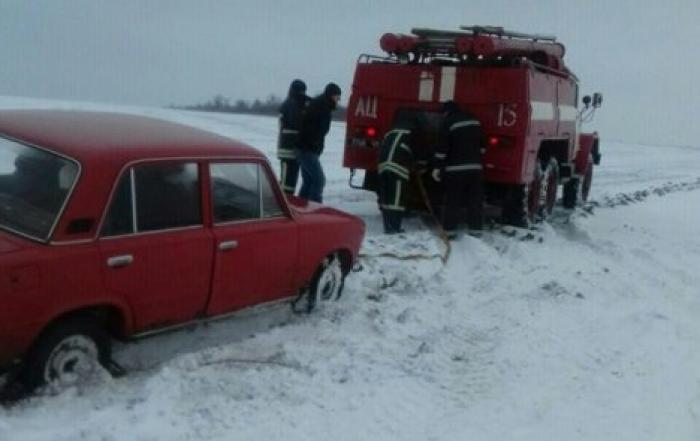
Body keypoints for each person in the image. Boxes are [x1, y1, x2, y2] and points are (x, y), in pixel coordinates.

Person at [432, 100, 484, 236]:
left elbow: (441, 149)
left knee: (452, 201)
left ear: (446, 112)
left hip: (455, 170)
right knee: (475, 200)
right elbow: (482, 147)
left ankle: (449, 231)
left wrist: (437, 167)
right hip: (475, 169)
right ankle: (476, 230)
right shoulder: (474, 120)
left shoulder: (448, 122)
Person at [297, 82, 341, 203]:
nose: (338, 100)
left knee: (309, 181)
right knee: (319, 180)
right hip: (307, 150)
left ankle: (301, 207)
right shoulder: (321, 107)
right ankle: (314, 209)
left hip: (306, 149)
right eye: (338, 97)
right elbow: (313, 129)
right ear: (332, 95)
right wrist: (314, 143)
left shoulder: (320, 105)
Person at [377, 112, 417, 234]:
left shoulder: (390, 132)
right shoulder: (411, 134)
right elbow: (416, 152)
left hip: (383, 166)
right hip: (398, 168)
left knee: (386, 196)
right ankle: (394, 228)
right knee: (397, 199)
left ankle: (388, 226)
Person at [277, 79, 309, 196]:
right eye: (302, 91)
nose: (303, 94)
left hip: (291, 150)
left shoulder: (290, 103)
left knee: (289, 182)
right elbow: (296, 122)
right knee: (286, 184)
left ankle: (286, 201)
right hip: (288, 150)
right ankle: (283, 204)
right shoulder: (290, 105)